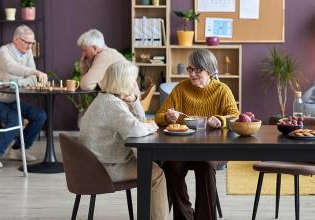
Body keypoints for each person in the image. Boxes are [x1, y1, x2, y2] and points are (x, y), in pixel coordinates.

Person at [155, 49, 239, 220]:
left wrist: (220, 119)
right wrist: (167, 117)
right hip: (183, 148)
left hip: (213, 149)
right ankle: (185, 216)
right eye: (190, 69)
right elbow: (159, 116)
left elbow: (235, 117)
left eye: (198, 70)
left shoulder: (222, 90)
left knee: (206, 165)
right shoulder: (181, 89)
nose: (192, 74)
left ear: (210, 70)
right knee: (171, 167)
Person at [79, 61, 168, 220]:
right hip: (106, 168)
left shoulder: (105, 98)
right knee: (157, 173)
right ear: (124, 82)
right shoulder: (112, 105)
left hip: (95, 164)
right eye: (133, 80)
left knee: (153, 167)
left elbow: (138, 122)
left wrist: (133, 100)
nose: (135, 84)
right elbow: (137, 129)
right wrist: (153, 126)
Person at [0, 25, 47, 168]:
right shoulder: (3, 52)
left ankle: (17, 150)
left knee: (40, 115)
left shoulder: (28, 52)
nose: (30, 46)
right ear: (16, 39)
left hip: (12, 99)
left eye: (32, 43)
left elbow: (32, 78)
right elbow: (12, 67)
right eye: (27, 42)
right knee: (16, 119)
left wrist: (16, 82)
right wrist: (34, 73)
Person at [77, 29, 138, 94]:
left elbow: (85, 85)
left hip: (126, 102)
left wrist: (82, 64)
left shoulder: (103, 57)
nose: (83, 54)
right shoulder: (111, 52)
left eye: (84, 50)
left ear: (94, 48)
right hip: (132, 100)